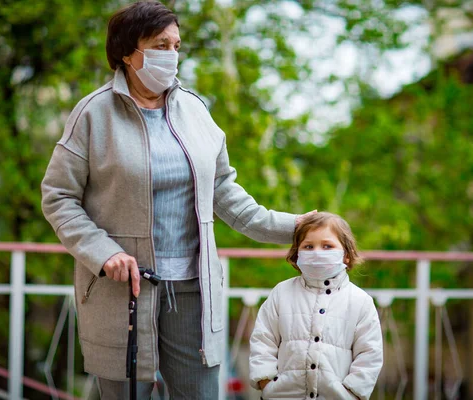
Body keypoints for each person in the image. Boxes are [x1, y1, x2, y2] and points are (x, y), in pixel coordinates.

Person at [40, 1, 315, 398]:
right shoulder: (93, 114)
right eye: (159, 45)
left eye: (176, 45)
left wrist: (297, 227)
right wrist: (103, 253)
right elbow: (58, 197)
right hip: (124, 291)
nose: (171, 55)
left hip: (193, 289)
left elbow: (225, 194)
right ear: (126, 53)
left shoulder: (196, 110)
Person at [249, 212, 383, 400]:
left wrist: (352, 393)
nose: (317, 252)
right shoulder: (281, 293)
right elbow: (263, 340)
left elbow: (369, 354)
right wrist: (267, 383)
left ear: (346, 254)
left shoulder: (360, 301)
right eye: (308, 246)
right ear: (297, 253)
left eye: (327, 246)